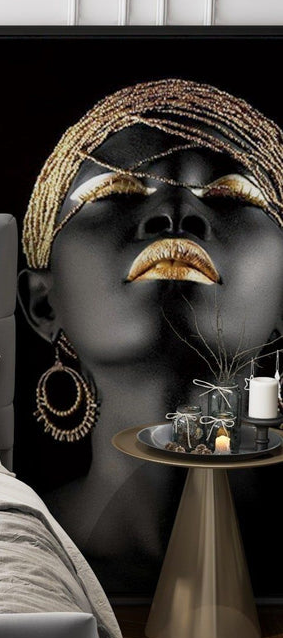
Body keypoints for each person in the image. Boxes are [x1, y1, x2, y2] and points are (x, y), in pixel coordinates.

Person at [19, 78, 283, 592]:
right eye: (115, 193)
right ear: (44, 302)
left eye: (231, 196)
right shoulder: (12, 555)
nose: (177, 215)